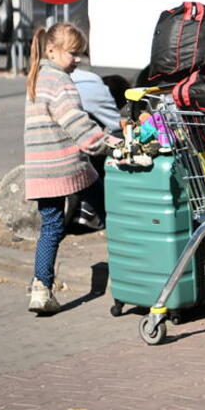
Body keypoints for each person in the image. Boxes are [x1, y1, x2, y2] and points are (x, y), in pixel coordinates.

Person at [24, 23, 120, 314]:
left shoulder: (37, 76)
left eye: (81, 54)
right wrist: (109, 144)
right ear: (52, 50)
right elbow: (77, 123)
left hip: (40, 169)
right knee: (109, 212)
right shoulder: (61, 81)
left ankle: (41, 288)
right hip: (69, 165)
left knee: (51, 226)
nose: (79, 59)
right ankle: (131, 269)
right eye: (73, 53)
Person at [70, 61, 127, 231]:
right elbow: (115, 127)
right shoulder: (95, 86)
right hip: (87, 149)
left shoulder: (61, 80)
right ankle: (94, 212)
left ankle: (87, 210)